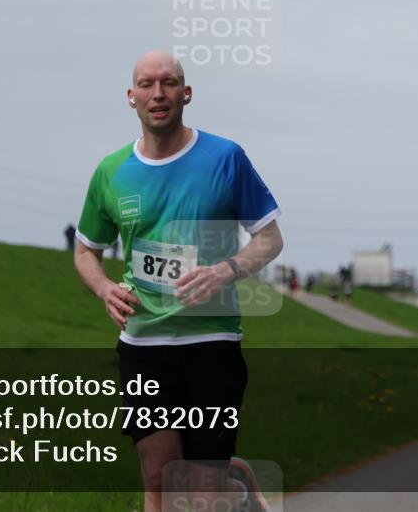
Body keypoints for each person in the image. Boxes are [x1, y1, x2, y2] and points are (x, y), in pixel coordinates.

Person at [73, 50, 283, 512]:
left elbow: (268, 239)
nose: (158, 93)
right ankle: (235, 481)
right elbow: (87, 249)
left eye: (168, 83)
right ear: (131, 98)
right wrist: (104, 288)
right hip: (144, 343)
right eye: (146, 84)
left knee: (202, 493)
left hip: (212, 340)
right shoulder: (112, 172)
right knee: (158, 478)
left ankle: (230, 484)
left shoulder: (225, 158)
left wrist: (225, 270)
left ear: (186, 94)